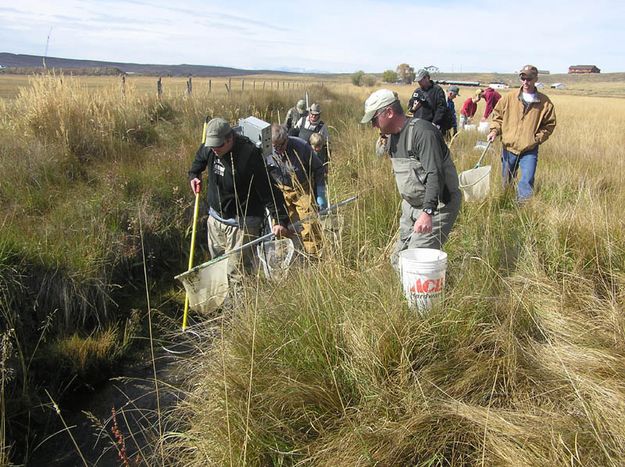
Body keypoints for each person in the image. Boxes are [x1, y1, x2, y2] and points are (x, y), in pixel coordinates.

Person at [362, 89, 462, 270]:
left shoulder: (422, 133)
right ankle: (408, 293)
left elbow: (435, 174)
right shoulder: (391, 137)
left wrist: (427, 213)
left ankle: (429, 295)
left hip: (437, 205)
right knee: (397, 260)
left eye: (374, 120)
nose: (373, 125)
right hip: (411, 207)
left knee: (415, 261)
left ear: (389, 113)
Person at [188, 118, 289, 278]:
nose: (214, 149)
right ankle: (224, 302)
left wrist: (280, 219)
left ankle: (241, 303)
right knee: (218, 267)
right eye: (211, 145)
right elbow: (199, 159)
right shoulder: (211, 147)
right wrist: (194, 174)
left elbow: (268, 189)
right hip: (216, 219)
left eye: (218, 145)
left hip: (242, 224)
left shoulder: (249, 155)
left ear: (230, 139)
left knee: (237, 273)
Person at [487, 65, 557, 202]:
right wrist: (494, 131)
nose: (526, 82)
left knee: (527, 180)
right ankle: (505, 203)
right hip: (508, 147)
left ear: (536, 79)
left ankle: (522, 209)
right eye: (523, 78)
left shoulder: (545, 102)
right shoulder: (508, 98)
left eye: (529, 78)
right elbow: (497, 117)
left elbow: (549, 124)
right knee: (506, 180)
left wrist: (536, 139)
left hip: (529, 148)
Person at [267, 124, 327, 255]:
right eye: (275, 147)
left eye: (281, 146)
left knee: (309, 224)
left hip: (302, 189)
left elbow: (318, 168)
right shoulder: (265, 151)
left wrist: (320, 193)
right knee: (281, 228)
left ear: (287, 139)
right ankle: (285, 257)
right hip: (280, 190)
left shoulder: (301, 147)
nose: (279, 150)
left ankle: (314, 256)